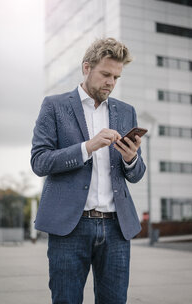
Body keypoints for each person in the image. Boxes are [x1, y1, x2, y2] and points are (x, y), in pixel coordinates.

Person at [31, 37, 146, 304]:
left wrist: (131, 159)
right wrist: (88, 147)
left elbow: (137, 173)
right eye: (105, 74)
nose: (111, 82)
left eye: (116, 77)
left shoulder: (126, 112)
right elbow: (39, 161)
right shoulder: (55, 106)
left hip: (117, 228)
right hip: (70, 227)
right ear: (86, 68)